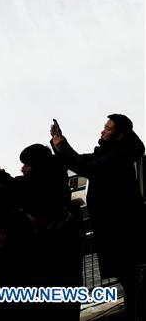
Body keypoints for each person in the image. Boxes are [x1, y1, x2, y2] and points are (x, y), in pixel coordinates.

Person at [50, 114, 145, 319]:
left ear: (119, 135)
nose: (102, 131)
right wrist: (60, 144)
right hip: (115, 225)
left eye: (108, 128)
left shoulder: (117, 156)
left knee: (129, 274)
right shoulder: (112, 152)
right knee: (127, 276)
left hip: (121, 227)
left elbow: (87, 167)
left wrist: (60, 147)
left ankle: (135, 314)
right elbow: (82, 161)